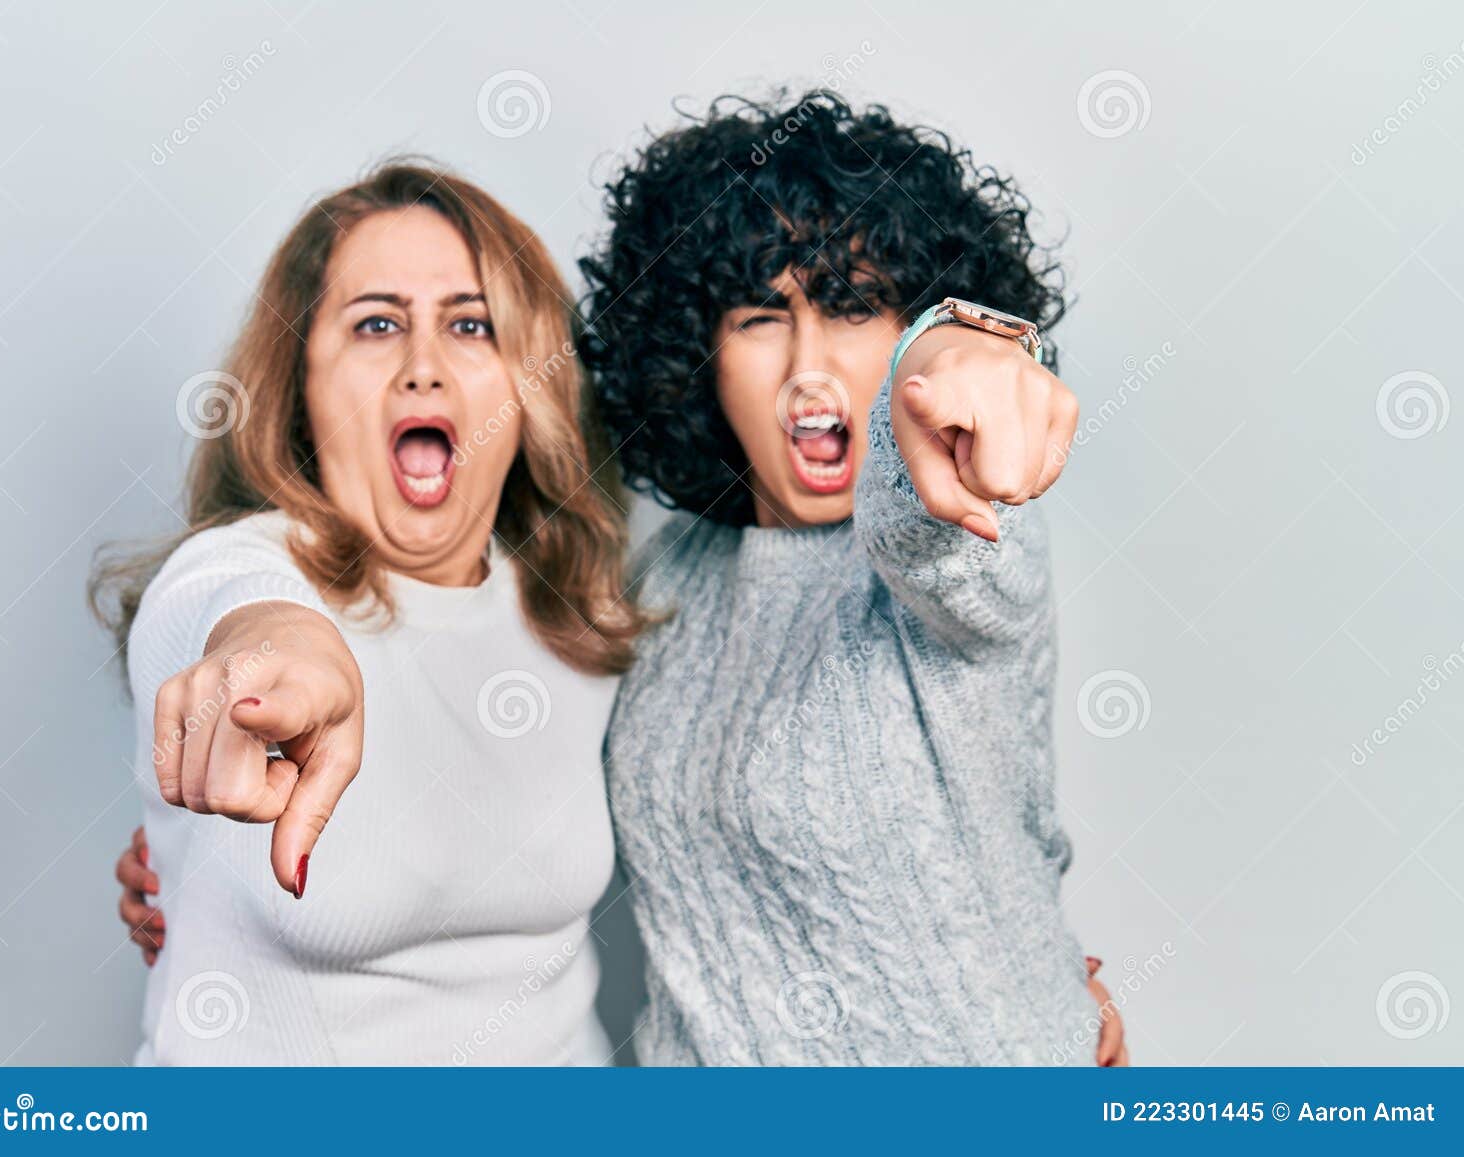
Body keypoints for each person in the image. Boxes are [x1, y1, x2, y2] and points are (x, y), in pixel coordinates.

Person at [115, 92, 1129, 1065]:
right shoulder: (632, 588)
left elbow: (937, 532)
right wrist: (213, 802)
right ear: (698, 354)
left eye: (859, 308)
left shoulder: (943, 542)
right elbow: (247, 615)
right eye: (758, 318)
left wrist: (960, 343)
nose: (811, 367)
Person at [90, 161, 648, 1064]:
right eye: (376, 325)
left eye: (471, 325)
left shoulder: (577, 614)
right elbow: (242, 621)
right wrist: (284, 657)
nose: (423, 368)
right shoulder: (233, 571)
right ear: (299, 383)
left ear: (527, 384)